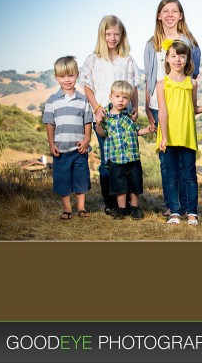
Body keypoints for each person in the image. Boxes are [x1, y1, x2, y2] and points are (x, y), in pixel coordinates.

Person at [144, 0, 201, 216]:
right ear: (159, 15)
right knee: (166, 159)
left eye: (174, 11)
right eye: (165, 11)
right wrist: (148, 106)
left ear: (180, 15)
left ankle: (186, 205)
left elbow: (193, 74)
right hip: (159, 102)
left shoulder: (190, 43)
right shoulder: (152, 45)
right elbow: (149, 76)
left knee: (184, 160)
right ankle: (172, 205)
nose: (169, 15)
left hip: (181, 102)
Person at [79, 15, 140, 215]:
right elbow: (88, 87)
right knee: (108, 160)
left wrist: (136, 107)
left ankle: (130, 202)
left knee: (128, 160)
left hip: (124, 116)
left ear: (122, 35)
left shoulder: (127, 59)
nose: (112, 38)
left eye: (116, 34)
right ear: (102, 35)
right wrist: (97, 108)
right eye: (108, 34)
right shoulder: (93, 60)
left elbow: (134, 86)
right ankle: (111, 201)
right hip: (104, 117)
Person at [157, 40, 202, 225]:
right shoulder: (162, 84)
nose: (178, 59)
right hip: (169, 136)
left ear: (187, 59)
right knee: (171, 176)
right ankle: (175, 212)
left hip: (187, 135)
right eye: (174, 55)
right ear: (167, 59)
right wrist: (164, 136)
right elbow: (162, 111)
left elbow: (193, 108)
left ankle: (192, 212)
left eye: (182, 55)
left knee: (190, 175)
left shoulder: (192, 83)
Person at [94, 80, 154, 219]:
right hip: (116, 159)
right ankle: (121, 209)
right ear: (111, 97)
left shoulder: (129, 117)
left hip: (132, 157)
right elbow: (102, 134)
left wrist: (148, 130)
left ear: (129, 100)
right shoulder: (106, 118)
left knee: (134, 184)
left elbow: (136, 132)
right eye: (117, 96)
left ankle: (134, 207)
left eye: (125, 98)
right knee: (119, 185)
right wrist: (97, 125)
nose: (121, 100)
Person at [43, 56, 92, 220]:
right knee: (62, 179)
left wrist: (86, 140)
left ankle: (81, 207)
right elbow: (49, 124)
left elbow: (88, 122)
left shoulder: (83, 100)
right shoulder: (52, 101)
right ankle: (66, 209)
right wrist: (51, 144)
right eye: (63, 76)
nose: (67, 80)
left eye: (70, 75)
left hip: (79, 149)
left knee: (80, 178)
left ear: (76, 75)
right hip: (61, 149)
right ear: (56, 77)